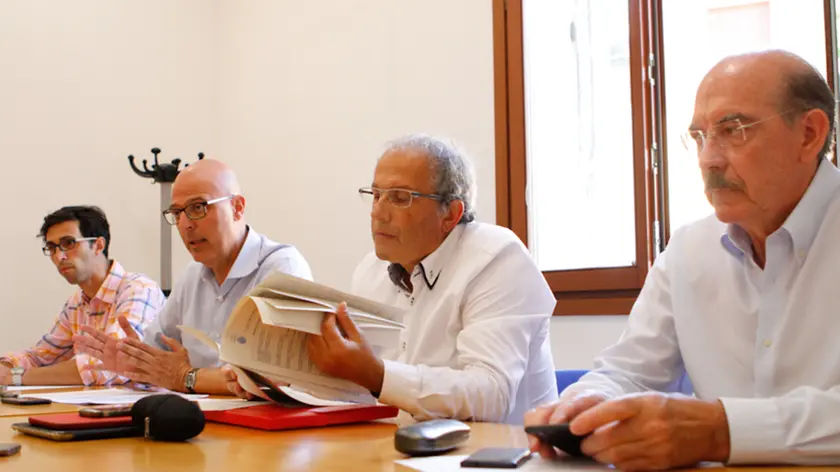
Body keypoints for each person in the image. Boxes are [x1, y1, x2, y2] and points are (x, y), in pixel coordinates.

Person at [525, 50, 840, 469]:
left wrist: (720, 430)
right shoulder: (689, 249)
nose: (709, 159)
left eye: (734, 130)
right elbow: (630, 371)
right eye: (699, 136)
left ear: (809, 134)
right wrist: (584, 408)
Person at [224, 135, 558, 423]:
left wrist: (376, 374)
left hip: (494, 458)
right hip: (401, 452)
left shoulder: (496, 259)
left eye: (400, 197)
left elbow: (492, 395)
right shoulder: (371, 270)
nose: (377, 212)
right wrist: (275, 381)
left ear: (451, 214)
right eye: (376, 194)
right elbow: (360, 389)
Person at [74, 159, 312, 394]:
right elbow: (160, 362)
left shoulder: (282, 267)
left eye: (198, 208)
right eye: (177, 213)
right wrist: (136, 362)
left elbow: (273, 380)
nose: (185, 225)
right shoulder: (191, 276)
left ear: (237, 208)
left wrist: (186, 377)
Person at [1, 206, 164, 386]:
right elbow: (41, 356)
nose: (59, 256)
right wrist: (7, 366)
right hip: (97, 407)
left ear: (98, 245)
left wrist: (17, 378)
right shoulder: (76, 303)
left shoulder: (138, 289)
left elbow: (111, 365)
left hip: (150, 408)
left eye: (69, 243)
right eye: (52, 248)